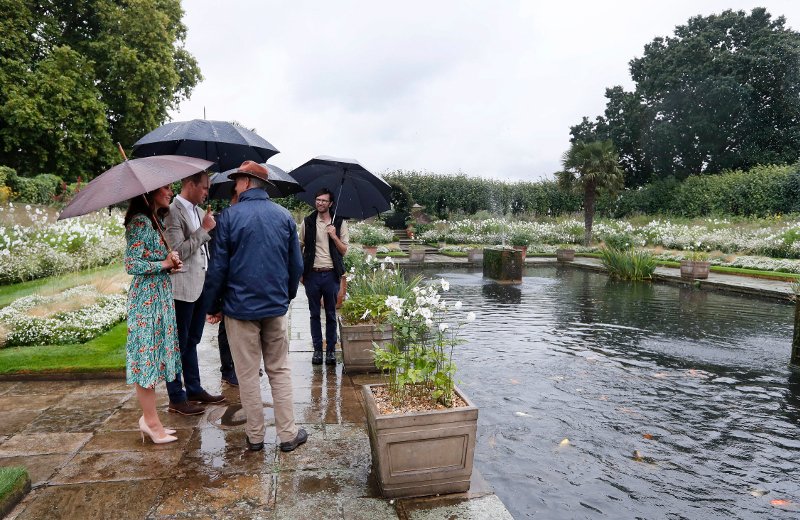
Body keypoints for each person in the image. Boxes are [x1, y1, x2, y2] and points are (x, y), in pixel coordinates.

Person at [202, 160, 307, 452]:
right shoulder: (284, 216)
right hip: (274, 308)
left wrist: (213, 305)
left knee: (247, 375)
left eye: (237, 180)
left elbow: (218, 268)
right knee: (279, 370)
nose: (235, 184)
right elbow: (295, 265)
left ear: (247, 182)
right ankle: (288, 435)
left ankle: (256, 436)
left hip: (239, 311)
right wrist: (284, 297)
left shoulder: (229, 218)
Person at [124, 185, 183, 444]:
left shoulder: (155, 220)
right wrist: (164, 263)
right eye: (166, 188)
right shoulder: (140, 222)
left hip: (159, 296)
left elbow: (154, 261)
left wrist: (170, 263)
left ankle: (151, 419)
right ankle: (150, 421)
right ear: (149, 193)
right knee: (147, 358)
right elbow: (131, 263)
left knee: (156, 356)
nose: (171, 192)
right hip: (146, 301)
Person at [163, 172, 225, 415]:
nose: (206, 192)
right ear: (190, 184)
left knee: (193, 341)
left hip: (200, 286)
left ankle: (194, 388)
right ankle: (176, 397)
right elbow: (177, 251)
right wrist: (204, 230)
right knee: (177, 344)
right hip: (182, 288)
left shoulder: (200, 213)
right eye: (204, 187)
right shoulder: (171, 211)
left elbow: (203, 252)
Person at [299, 188, 349, 365]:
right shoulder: (308, 221)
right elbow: (300, 245)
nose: (320, 203)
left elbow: (343, 251)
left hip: (331, 274)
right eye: (317, 199)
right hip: (312, 274)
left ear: (330, 204)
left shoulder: (340, 222)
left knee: (330, 314)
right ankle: (317, 350)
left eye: (323, 201)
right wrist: (300, 271)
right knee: (314, 314)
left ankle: (331, 351)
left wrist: (334, 236)